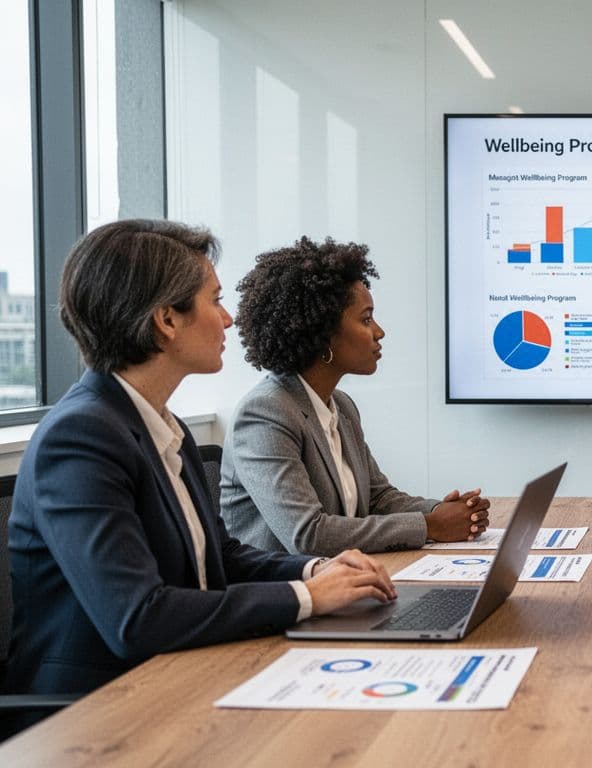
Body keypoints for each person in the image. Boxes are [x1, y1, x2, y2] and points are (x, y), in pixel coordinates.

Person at [4, 220, 396, 709]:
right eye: (215, 300)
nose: (229, 319)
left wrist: (317, 568)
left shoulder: (162, 425)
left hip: (181, 674)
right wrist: (308, 597)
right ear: (167, 320)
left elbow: (222, 559)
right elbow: (138, 618)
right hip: (94, 712)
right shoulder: (79, 438)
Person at [220, 237, 489, 557]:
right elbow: (307, 535)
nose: (379, 332)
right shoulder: (266, 413)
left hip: (342, 581)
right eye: (366, 319)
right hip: (283, 594)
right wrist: (430, 526)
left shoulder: (341, 406)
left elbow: (378, 499)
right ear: (323, 334)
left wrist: (446, 511)